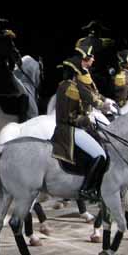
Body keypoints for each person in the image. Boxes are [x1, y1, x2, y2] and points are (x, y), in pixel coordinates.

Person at [50, 38, 114, 202]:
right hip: (70, 130)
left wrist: (103, 103)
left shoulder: (77, 84)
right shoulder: (68, 88)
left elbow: (93, 96)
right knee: (100, 155)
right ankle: (87, 189)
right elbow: (69, 117)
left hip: (82, 127)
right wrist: (88, 119)